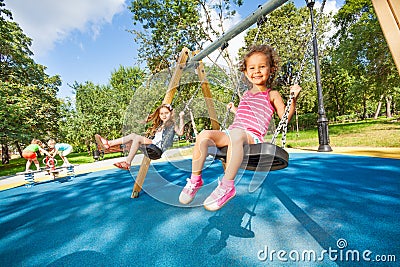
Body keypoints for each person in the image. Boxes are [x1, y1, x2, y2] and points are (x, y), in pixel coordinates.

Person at [179, 44, 301, 211]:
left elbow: (285, 118)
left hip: (252, 136)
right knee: (204, 135)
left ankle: (227, 186)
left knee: (236, 135)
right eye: (252, 67)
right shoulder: (245, 95)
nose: (256, 71)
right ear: (245, 72)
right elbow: (244, 116)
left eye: (262, 67)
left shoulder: (272, 94)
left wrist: (292, 99)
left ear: (271, 69)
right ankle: (195, 180)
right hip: (233, 132)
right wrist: (235, 109)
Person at [95, 104, 185, 170]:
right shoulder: (161, 124)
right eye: (161, 114)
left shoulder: (172, 124)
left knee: (136, 138)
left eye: (166, 113)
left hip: (157, 150)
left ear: (171, 113)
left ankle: (127, 162)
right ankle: (109, 144)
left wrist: (181, 117)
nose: (164, 115)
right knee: (133, 137)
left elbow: (180, 132)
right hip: (152, 147)